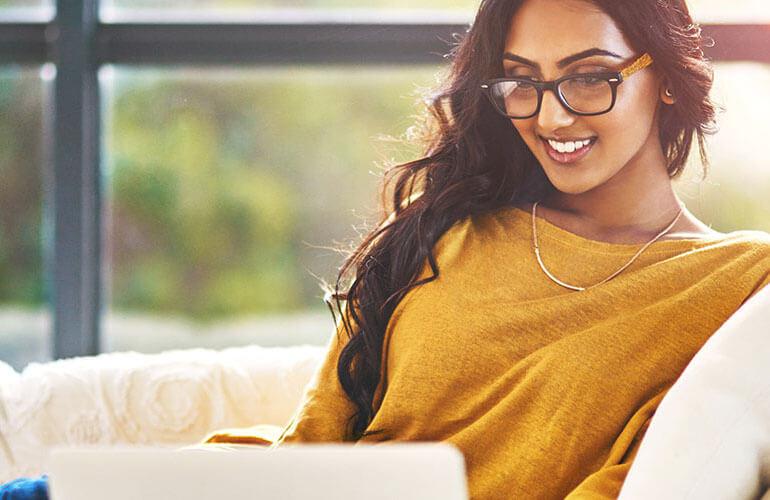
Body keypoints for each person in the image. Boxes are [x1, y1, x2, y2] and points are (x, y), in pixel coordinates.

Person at [3, 0, 769, 498]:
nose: (550, 114)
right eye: (521, 84)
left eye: (590, 78)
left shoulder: (739, 283)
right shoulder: (453, 226)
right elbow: (318, 436)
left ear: (665, 78)